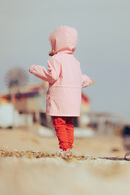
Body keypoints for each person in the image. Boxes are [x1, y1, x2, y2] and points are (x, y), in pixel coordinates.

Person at [29, 25, 94, 156]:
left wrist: (35, 69)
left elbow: (52, 75)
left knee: (59, 123)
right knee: (69, 124)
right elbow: (78, 79)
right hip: (73, 100)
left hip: (60, 98)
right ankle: (68, 148)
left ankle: (64, 149)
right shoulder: (75, 61)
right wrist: (88, 80)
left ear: (57, 43)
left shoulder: (55, 59)